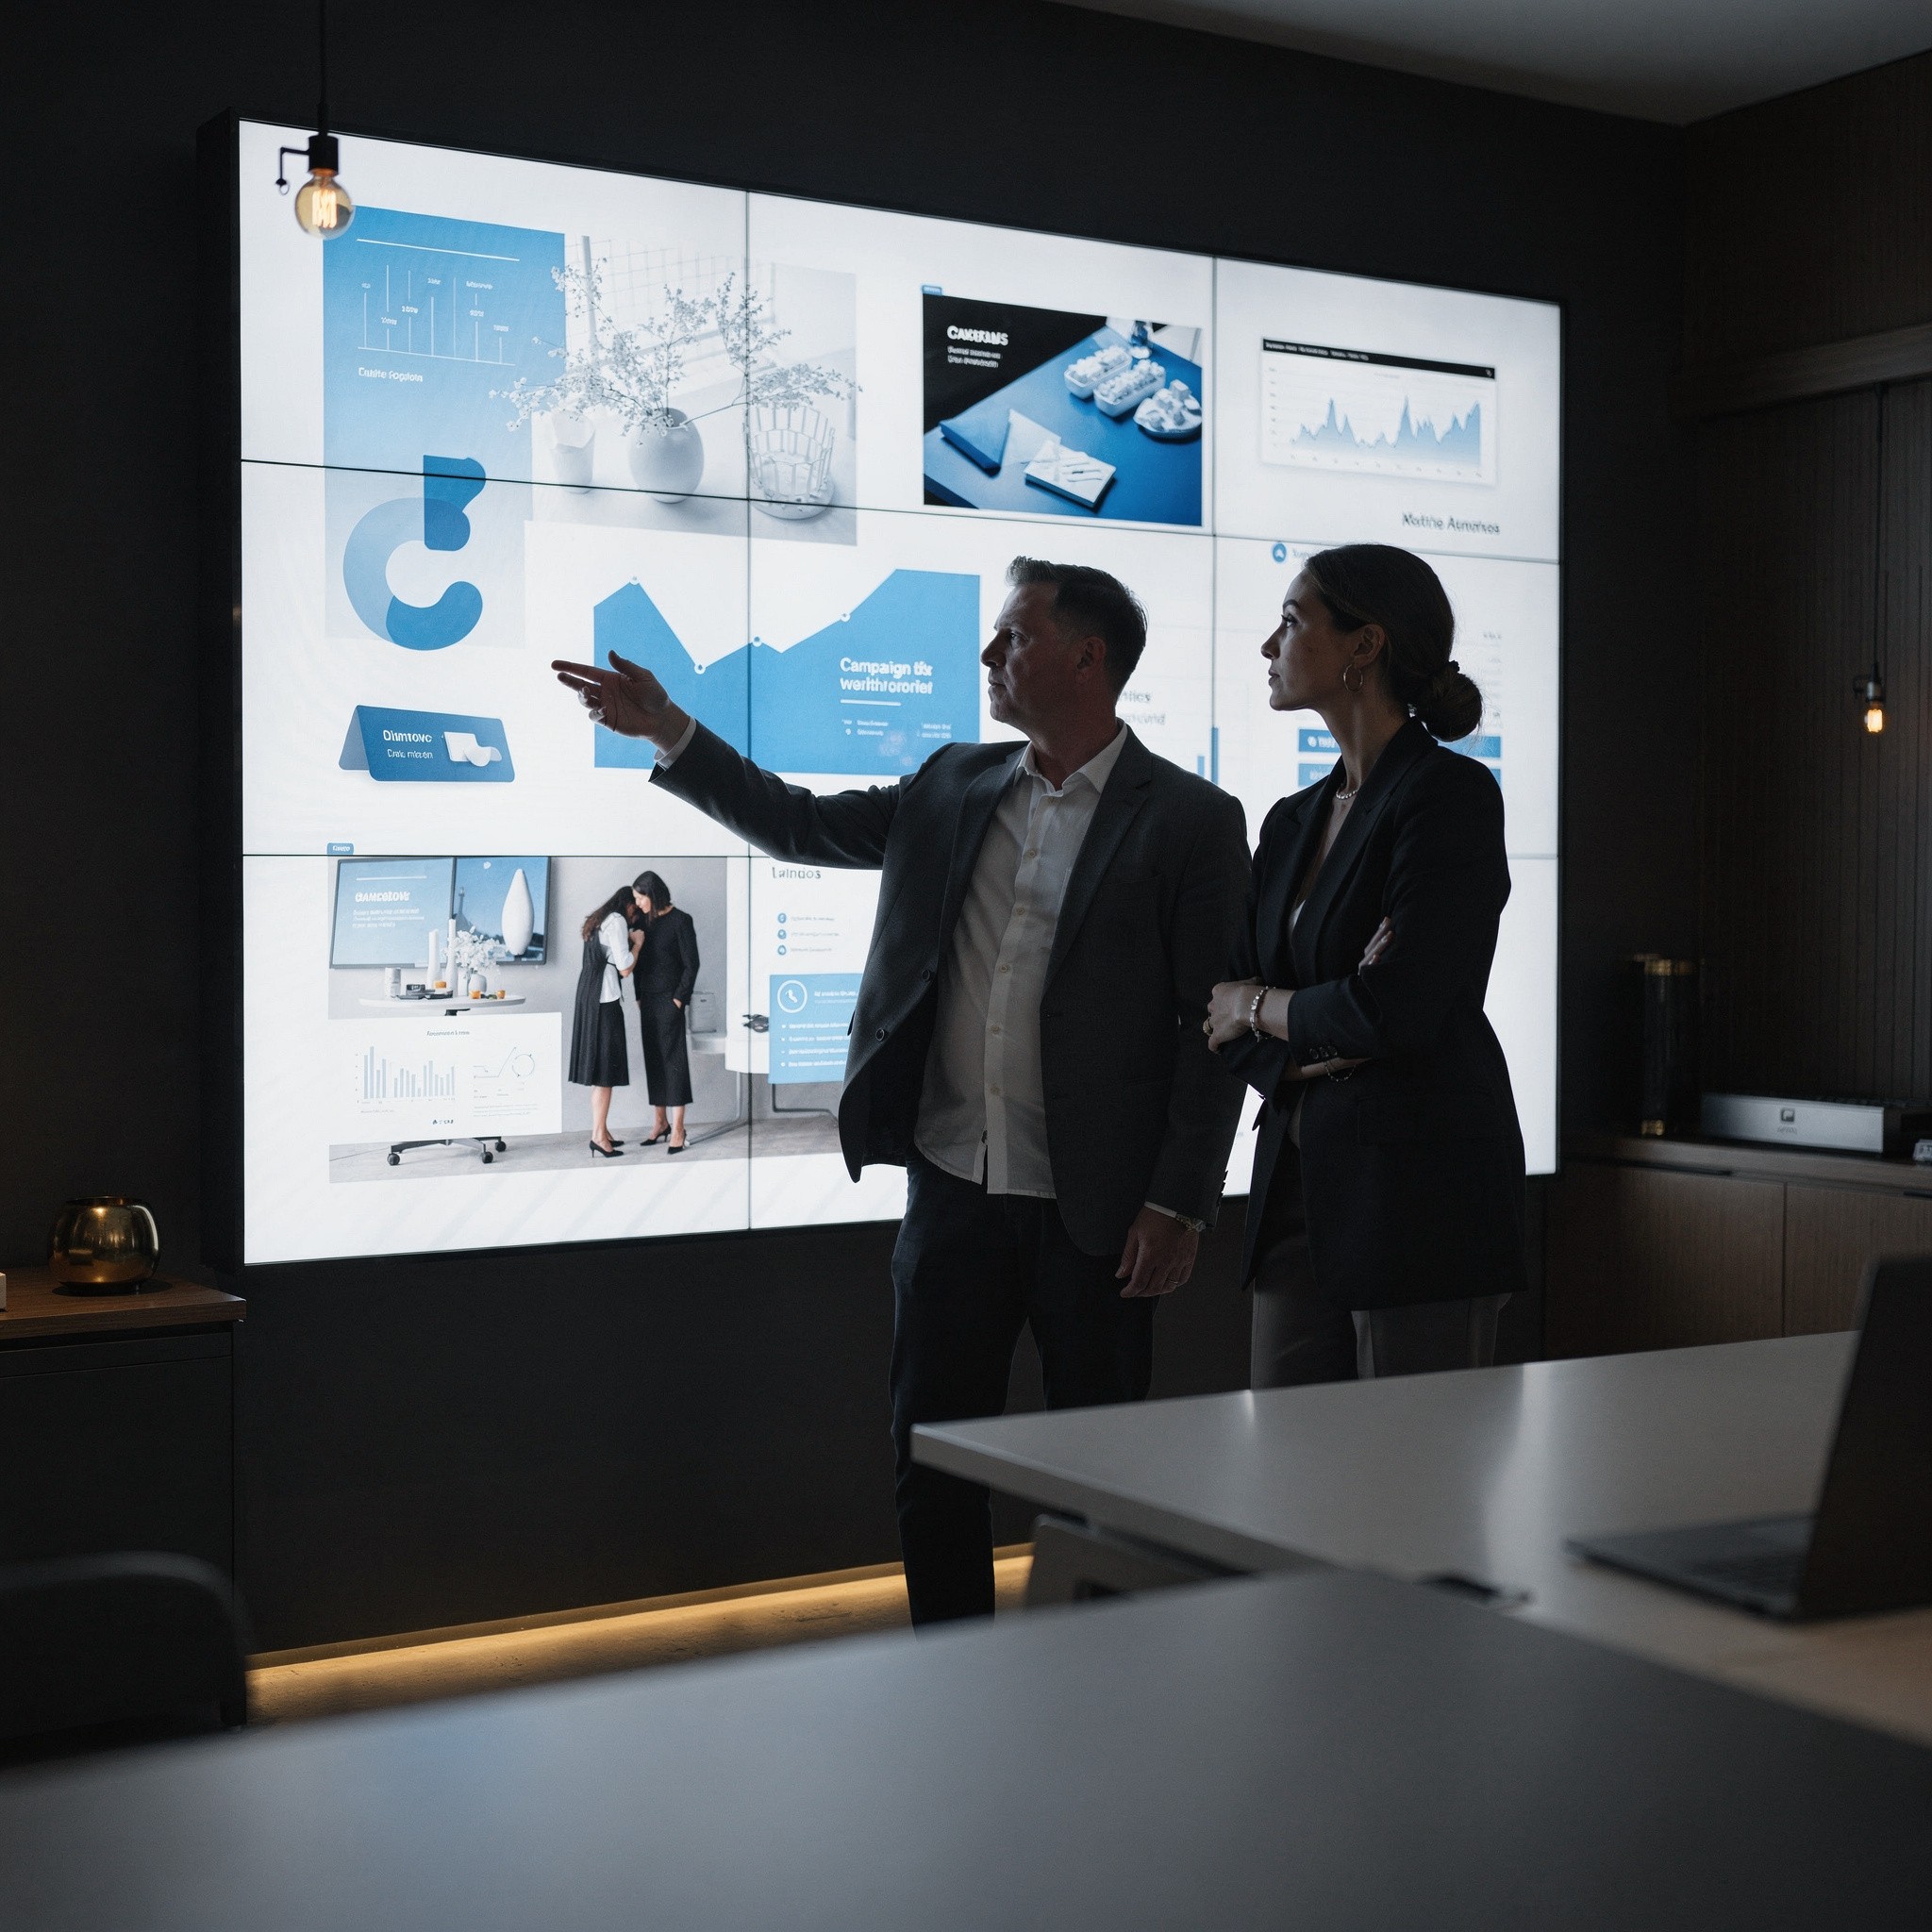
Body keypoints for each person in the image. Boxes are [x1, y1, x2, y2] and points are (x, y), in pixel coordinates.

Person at [555, 557, 1250, 1624]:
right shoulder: (952, 782)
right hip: (952, 1193)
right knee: (931, 1456)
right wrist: (671, 734)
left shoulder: (1192, 819)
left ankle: (1106, 1683)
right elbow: (793, 822)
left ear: (1085, 656)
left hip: (1101, 1210)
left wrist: (1180, 1197)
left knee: (1106, 1468)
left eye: (1011, 637)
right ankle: (949, 1670)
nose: (986, 657)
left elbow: (1209, 1023)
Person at [1207, 543, 1527, 1387]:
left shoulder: (1450, 795)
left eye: (1290, 620)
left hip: (1421, 1194)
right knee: (1286, 1477)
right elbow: (1220, 1013)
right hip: (1295, 1194)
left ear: (1364, 645)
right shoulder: (1288, 821)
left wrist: (1268, 1006)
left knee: (1416, 1487)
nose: (1267, 647)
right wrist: (1312, 1014)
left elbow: (1398, 1008)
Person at [568, 883, 643, 1158]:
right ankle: (598, 1136)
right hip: (605, 1001)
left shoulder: (598, 920)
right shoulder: (618, 921)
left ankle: (603, 1129)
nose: (636, 913)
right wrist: (637, 945)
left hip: (588, 997)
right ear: (627, 904)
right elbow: (624, 968)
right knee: (604, 1073)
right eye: (635, 906)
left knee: (600, 1069)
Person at [630, 869, 700, 1154]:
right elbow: (639, 962)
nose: (637, 903)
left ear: (652, 894)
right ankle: (660, 1123)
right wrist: (638, 996)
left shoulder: (681, 921)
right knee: (654, 1061)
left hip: (670, 1002)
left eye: (640, 897)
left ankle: (679, 1128)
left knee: (674, 1063)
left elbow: (691, 964)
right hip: (647, 1001)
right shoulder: (643, 923)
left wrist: (679, 1000)